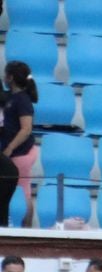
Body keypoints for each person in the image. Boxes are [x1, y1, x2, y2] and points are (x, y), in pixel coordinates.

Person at [1, 61, 38, 228]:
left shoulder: (22, 100)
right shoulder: (12, 98)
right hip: (16, 152)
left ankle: (27, 227)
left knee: (23, 192)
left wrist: (10, 147)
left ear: (10, 77)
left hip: (21, 153)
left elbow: (26, 129)